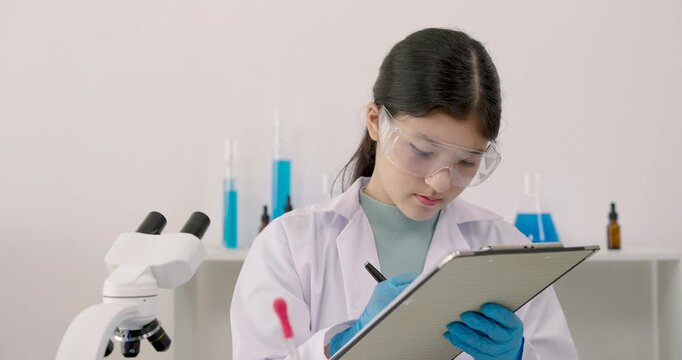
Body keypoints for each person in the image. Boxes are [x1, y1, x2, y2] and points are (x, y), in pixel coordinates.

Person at [230, 28, 578, 359]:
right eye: (423, 151)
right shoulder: (291, 246)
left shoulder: (506, 247)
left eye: (467, 162)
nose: (441, 182)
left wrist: (518, 356)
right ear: (375, 121)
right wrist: (341, 345)